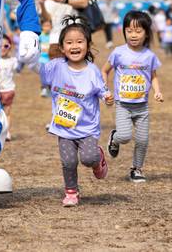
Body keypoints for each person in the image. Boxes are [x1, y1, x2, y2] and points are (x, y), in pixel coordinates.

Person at [40, 15, 112, 207]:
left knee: (88, 158)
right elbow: (40, 71)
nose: (75, 46)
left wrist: (107, 97)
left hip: (87, 127)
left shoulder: (92, 70)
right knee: (69, 162)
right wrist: (32, 55)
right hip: (65, 127)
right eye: (69, 42)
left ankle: (98, 157)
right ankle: (71, 192)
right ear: (62, 48)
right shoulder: (56, 67)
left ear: (87, 45)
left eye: (80, 42)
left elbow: (102, 89)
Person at [102, 11, 163, 183]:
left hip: (142, 106)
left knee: (143, 140)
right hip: (123, 104)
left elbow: (153, 76)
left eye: (138, 31)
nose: (133, 35)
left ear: (146, 33)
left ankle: (136, 169)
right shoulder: (118, 52)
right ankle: (115, 138)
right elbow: (104, 70)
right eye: (129, 31)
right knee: (125, 136)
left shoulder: (149, 56)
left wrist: (157, 91)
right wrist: (105, 90)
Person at [0, 35, 19, 141]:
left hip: (8, 90)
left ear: (10, 47)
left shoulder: (13, 60)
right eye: (1, 46)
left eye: (6, 46)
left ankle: (7, 132)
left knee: (7, 112)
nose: (3, 48)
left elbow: (20, 64)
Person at [39, 19, 51, 98]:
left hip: (51, 60)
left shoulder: (52, 36)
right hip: (42, 60)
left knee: (50, 76)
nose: (47, 28)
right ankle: (43, 88)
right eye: (45, 26)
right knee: (43, 75)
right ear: (42, 27)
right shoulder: (40, 36)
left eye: (49, 26)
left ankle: (50, 89)